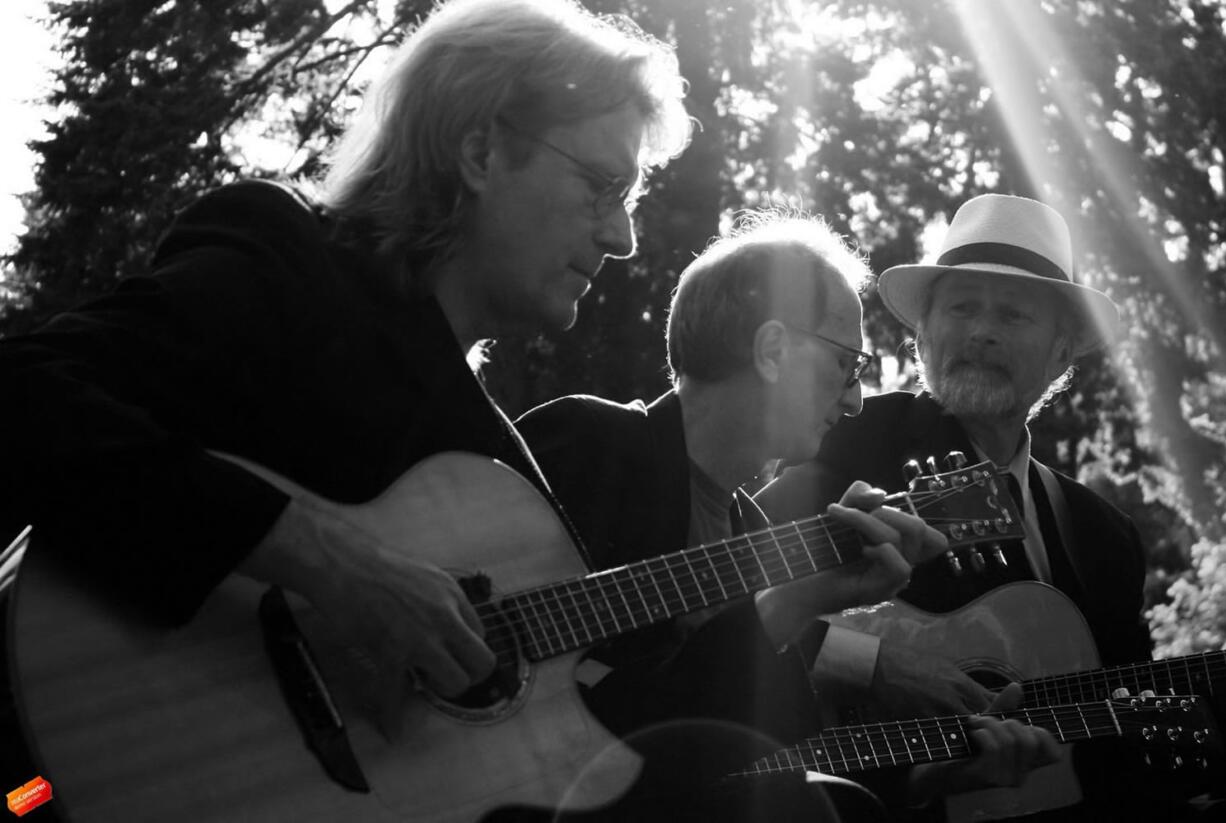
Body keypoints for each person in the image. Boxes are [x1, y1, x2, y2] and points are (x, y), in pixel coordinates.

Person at [0, 0, 692, 811]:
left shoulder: (495, 459)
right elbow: (24, 394)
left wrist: (809, 584)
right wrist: (327, 562)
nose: (624, 238)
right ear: (481, 151)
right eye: (603, 185)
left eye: (631, 199)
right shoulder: (289, 263)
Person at [515, 211, 1060, 821]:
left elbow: (752, 767)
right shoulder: (595, 445)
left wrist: (939, 776)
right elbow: (576, 721)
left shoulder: (758, 536)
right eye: (847, 366)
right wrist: (788, 605)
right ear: (773, 350)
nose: (855, 400)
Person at [756, 193, 1198, 821]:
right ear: (923, 331)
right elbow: (717, 606)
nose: (981, 332)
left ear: (1062, 352)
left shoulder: (1105, 535)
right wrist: (872, 665)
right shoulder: (851, 440)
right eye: (962, 308)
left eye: (1014, 315)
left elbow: (1121, 744)